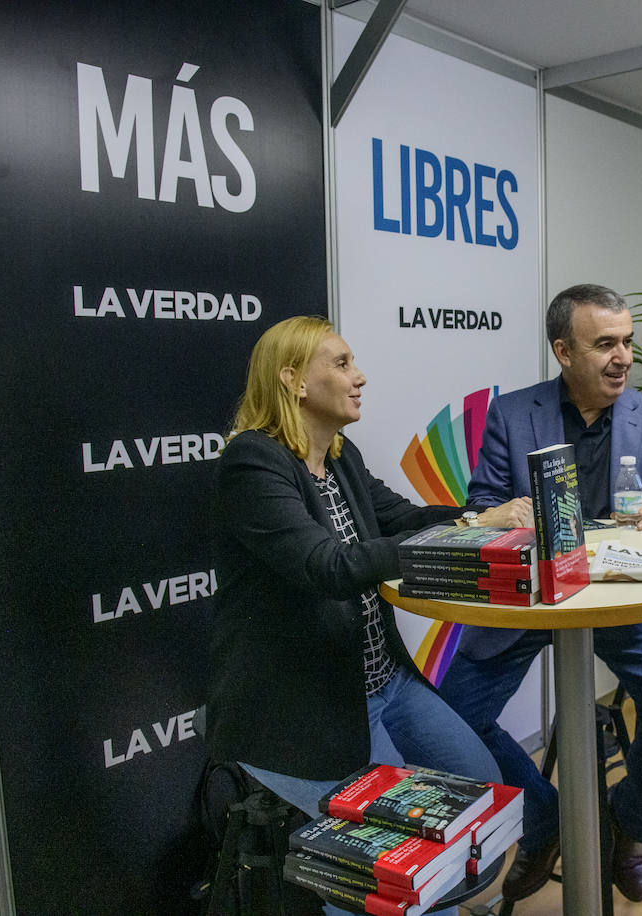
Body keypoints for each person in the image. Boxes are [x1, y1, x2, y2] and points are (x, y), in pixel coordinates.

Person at [205, 316, 531, 916]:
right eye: (342, 363)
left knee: (483, 791)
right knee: (391, 866)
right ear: (294, 380)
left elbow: (403, 518)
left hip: (385, 684)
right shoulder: (252, 465)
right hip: (305, 706)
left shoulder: (340, 456)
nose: (360, 377)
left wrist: (483, 517)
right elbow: (327, 566)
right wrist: (468, 531)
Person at [437, 284, 642, 903]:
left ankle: (630, 822)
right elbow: (482, 505)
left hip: (618, 598)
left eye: (627, 342)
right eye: (604, 344)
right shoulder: (512, 414)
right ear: (562, 350)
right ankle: (548, 819)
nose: (623, 357)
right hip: (531, 595)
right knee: (454, 718)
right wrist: (504, 513)